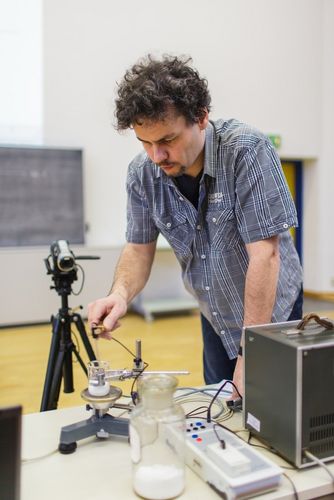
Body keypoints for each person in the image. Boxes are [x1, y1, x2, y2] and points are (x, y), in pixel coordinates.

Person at [88, 54, 303, 397]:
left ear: (201, 118)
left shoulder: (247, 151)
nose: (156, 156)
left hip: (272, 316)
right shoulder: (142, 174)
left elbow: (266, 255)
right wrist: (119, 294)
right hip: (215, 313)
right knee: (221, 410)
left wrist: (252, 355)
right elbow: (138, 248)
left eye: (167, 140)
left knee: (274, 411)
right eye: (146, 142)